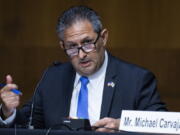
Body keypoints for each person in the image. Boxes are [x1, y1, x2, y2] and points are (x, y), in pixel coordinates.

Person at [0, 5, 167, 132]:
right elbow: (28, 126)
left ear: (103, 37)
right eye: (72, 47)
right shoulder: (52, 78)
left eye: (87, 43)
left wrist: (122, 126)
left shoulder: (136, 80)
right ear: (62, 45)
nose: (81, 55)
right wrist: (8, 113)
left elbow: (164, 125)